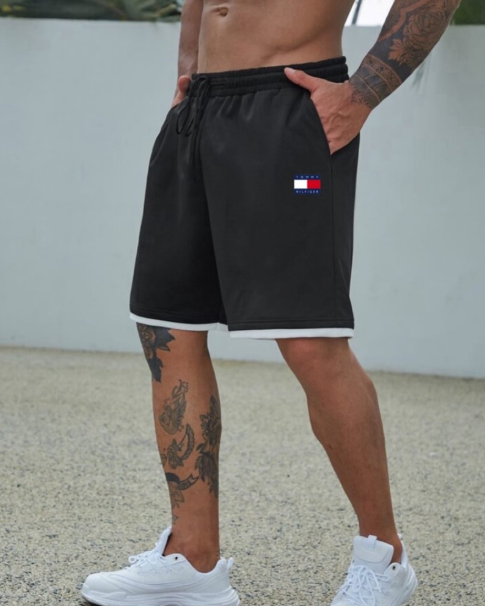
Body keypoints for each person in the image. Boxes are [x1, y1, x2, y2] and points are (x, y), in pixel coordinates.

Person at [81, 1, 461, 605]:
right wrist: (186, 82)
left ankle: (384, 557)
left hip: (289, 110)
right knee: (167, 330)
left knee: (310, 340)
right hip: (199, 110)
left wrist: (360, 95)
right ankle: (193, 561)